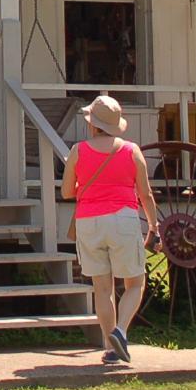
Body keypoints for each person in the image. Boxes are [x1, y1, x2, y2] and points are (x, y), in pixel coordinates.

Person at [60, 94, 159, 365]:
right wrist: (153, 225)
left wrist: (90, 188)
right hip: (123, 219)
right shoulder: (131, 150)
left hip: (89, 222)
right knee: (135, 282)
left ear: (92, 124)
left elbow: (67, 191)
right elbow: (146, 194)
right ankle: (121, 331)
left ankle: (111, 347)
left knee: (102, 288)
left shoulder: (79, 150)